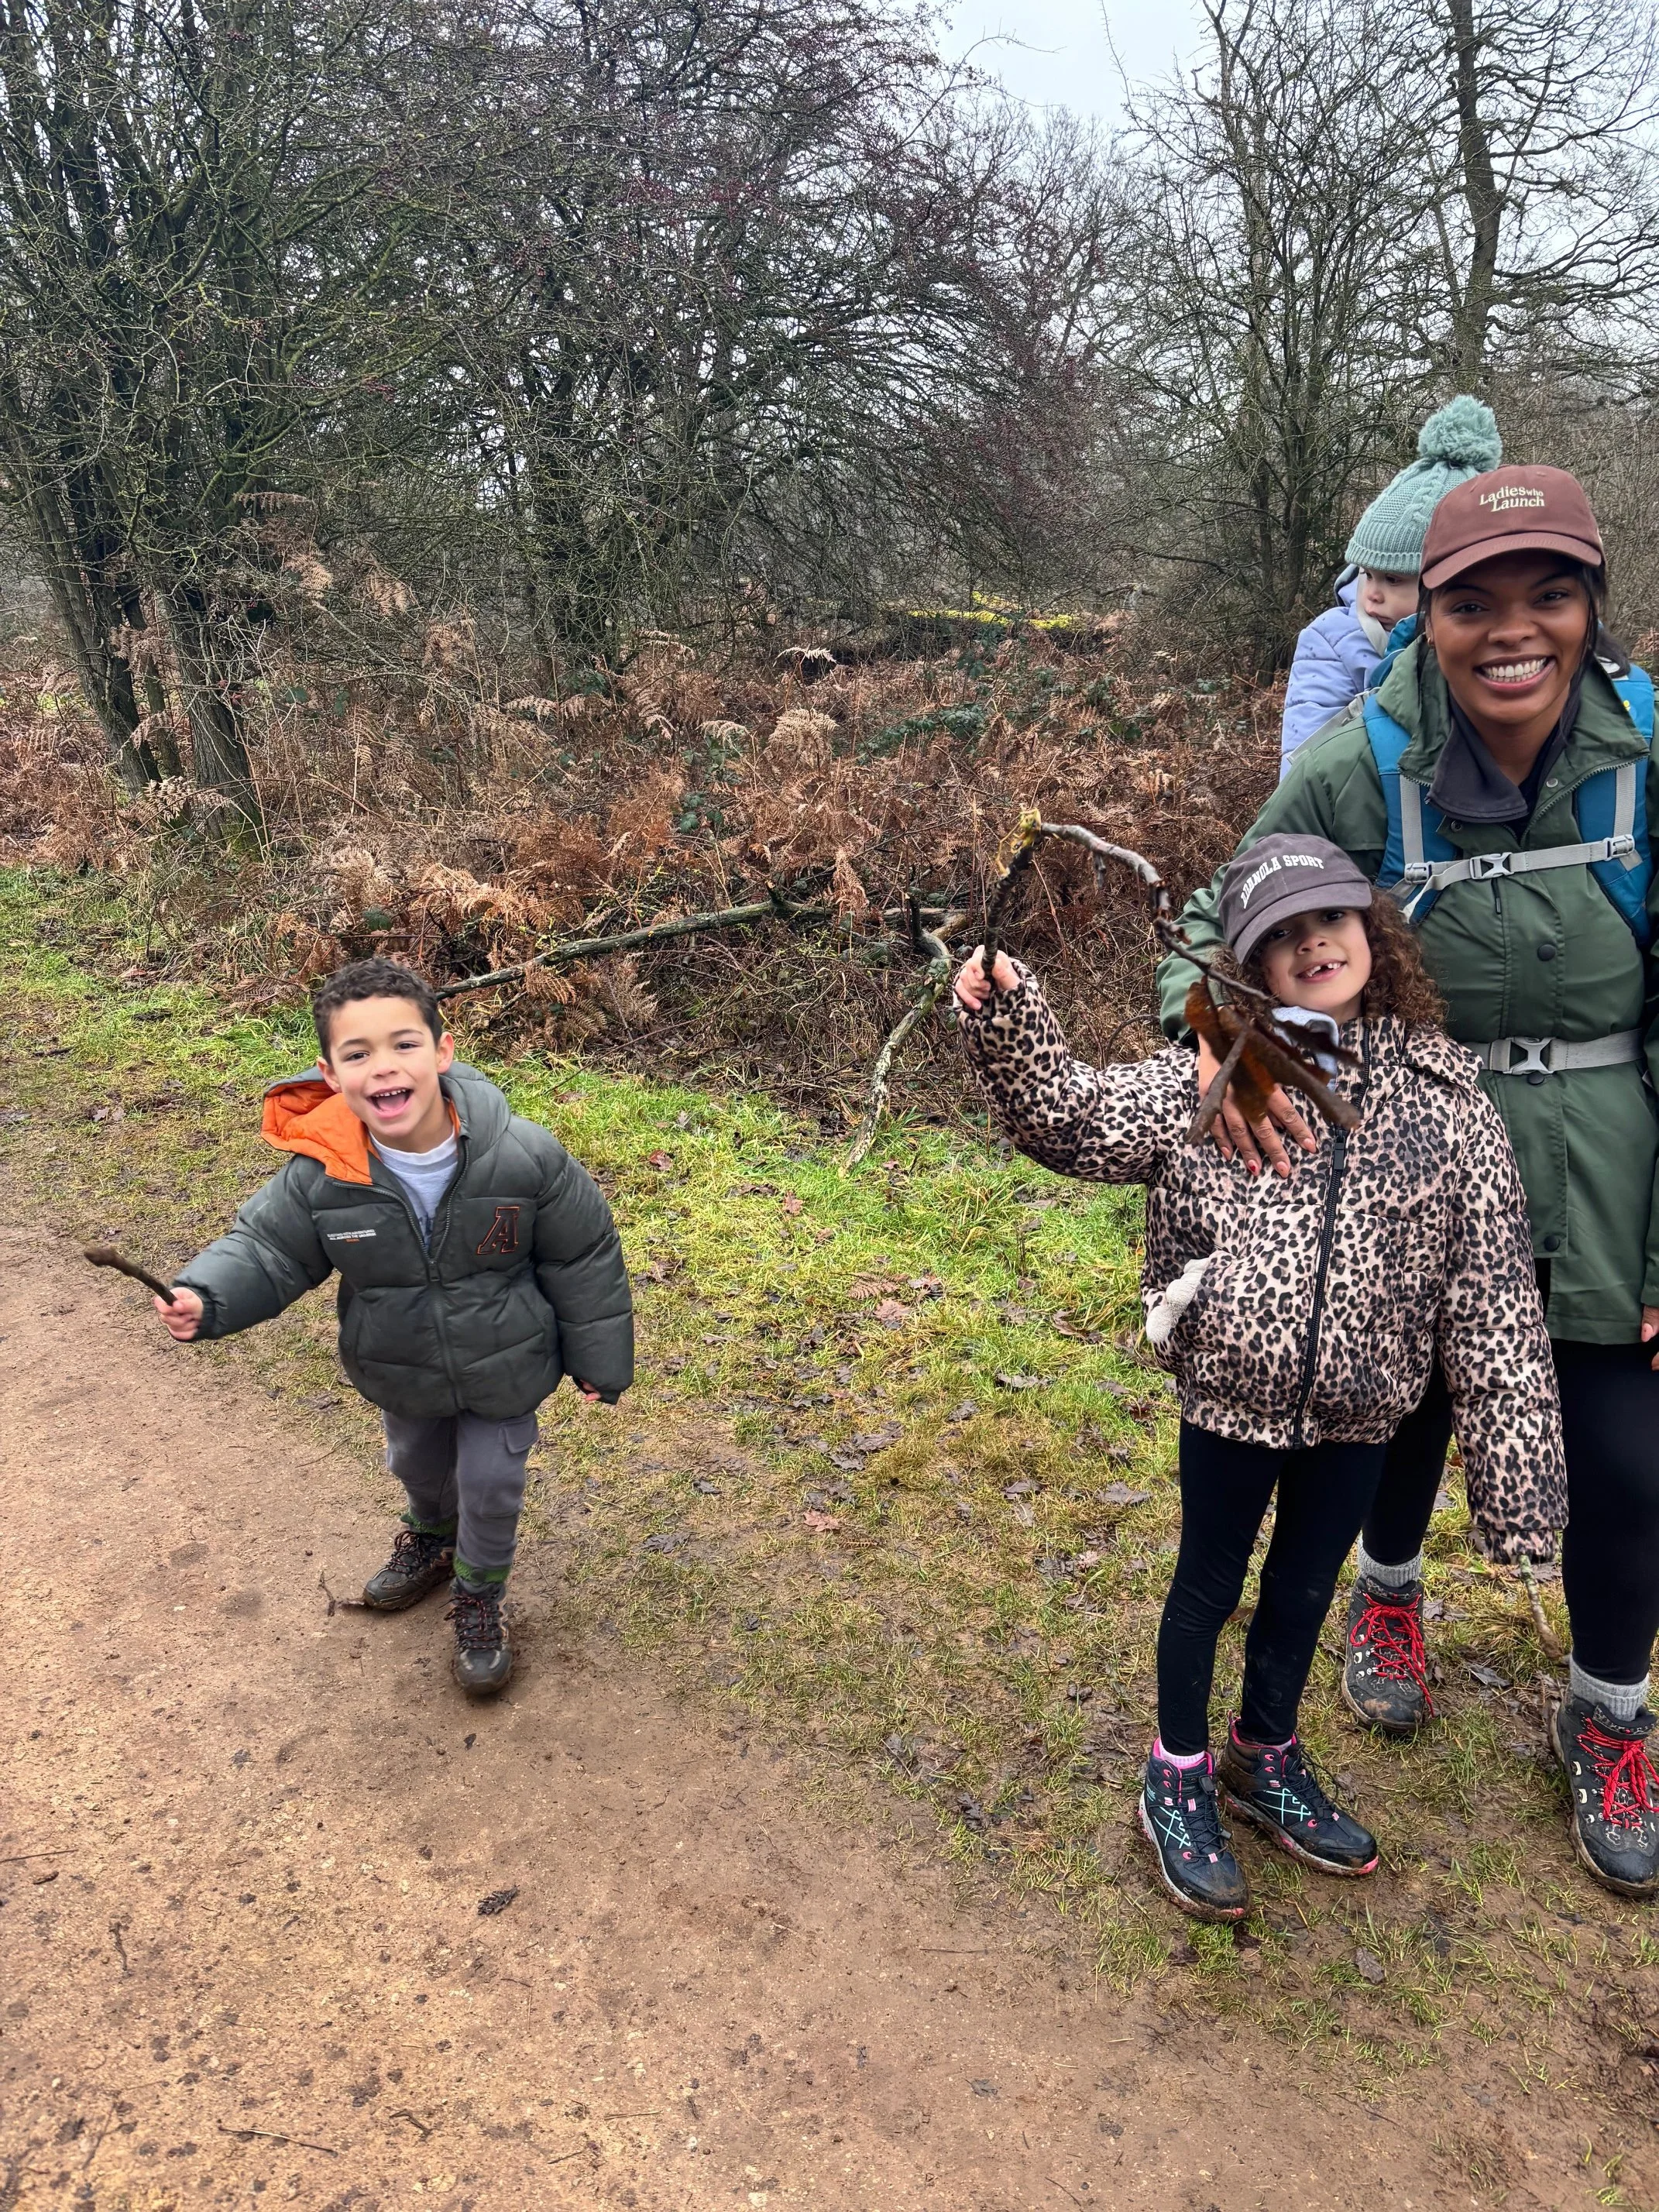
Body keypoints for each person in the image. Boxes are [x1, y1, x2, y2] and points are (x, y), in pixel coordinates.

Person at [1159, 464, 1659, 1899]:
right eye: (1473, 603)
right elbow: (1214, 922)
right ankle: (1387, 1597)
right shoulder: (1362, 761)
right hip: (1400, 1166)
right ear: (1423, 619)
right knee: (1394, 1415)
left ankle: (1610, 1709)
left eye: (1547, 594)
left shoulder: (1643, 756)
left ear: (1587, 605)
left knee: (1628, 1465)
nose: (1514, 630)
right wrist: (1226, 1042)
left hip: (1610, 1168)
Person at [956, 837, 1563, 1922]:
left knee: (1300, 1591)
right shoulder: (1216, 1073)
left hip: (1363, 1411)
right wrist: (1008, 1016)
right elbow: (1074, 1120)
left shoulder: (1443, 1100)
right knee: (1208, 1588)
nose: (1310, 945)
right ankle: (1176, 1771)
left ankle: (1263, 1754)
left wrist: (1516, 1488)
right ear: (1241, 966)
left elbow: (1491, 1292)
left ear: (1370, 932)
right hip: (1233, 1398)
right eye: (1278, 936)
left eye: (1326, 920)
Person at [153, 957, 633, 1695]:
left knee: (492, 1482)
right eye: (358, 1053)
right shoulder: (324, 1173)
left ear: (441, 1052)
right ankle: (433, 1542)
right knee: (418, 1467)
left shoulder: (524, 1156)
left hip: (507, 1363)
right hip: (399, 1365)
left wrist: (599, 1356)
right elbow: (269, 1248)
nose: (384, 1068)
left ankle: (478, 1595)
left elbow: (583, 1255)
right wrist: (206, 1296)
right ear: (331, 1071)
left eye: (403, 1045)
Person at [1280, 396, 1502, 775]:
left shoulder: (1501, 639)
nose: (1372, 593)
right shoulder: (1334, 641)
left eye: (1395, 579)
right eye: (1367, 573)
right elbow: (1303, 763)